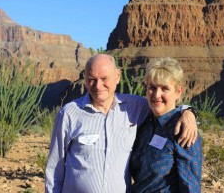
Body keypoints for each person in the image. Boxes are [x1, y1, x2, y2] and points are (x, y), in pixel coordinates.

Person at [45, 54, 198, 193]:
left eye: (104, 79)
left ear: (117, 76)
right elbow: (54, 169)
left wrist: (188, 112)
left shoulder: (138, 109)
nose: (98, 86)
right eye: (92, 79)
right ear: (84, 78)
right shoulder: (69, 114)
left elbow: (166, 107)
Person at [130, 57, 202, 192]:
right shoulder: (144, 123)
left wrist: (189, 113)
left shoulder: (183, 130)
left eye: (165, 88)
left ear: (178, 92)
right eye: (152, 87)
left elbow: (190, 187)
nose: (157, 95)